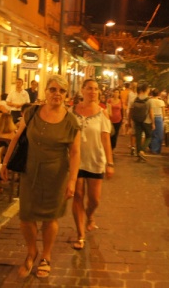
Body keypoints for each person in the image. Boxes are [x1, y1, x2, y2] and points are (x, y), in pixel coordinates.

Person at [0, 75, 81, 279]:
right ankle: (31, 251)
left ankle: (45, 256)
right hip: (31, 171)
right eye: (53, 89)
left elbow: (75, 153)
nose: (57, 94)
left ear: (66, 95)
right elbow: (16, 138)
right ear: (45, 91)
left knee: (49, 217)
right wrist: (5, 163)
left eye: (61, 91)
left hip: (56, 175)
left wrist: (72, 180)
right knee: (26, 216)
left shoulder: (71, 121)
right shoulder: (32, 112)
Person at [71, 79, 114, 250]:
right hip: (76, 160)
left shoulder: (102, 114)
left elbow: (106, 140)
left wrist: (110, 163)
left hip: (96, 160)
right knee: (78, 196)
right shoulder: (71, 112)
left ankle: (89, 215)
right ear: (82, 90)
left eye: (96, 89)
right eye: (89, 88)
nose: (93, 92)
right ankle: (80, 235)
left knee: (94, 199)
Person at [131, 82, 151, 161]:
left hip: (136, 120)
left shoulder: (136, 99)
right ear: (146, 90)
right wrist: (153, 122)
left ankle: (139, 155)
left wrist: (130, 121)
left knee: (138, 138)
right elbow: (151, 112)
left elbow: (131, 111)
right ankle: (142, 150)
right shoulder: (148, 100)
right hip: (146, 120)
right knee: (149, 136)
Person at [149, 88, 166, 154]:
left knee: (153, 134)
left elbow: (150, 111)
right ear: (158, 94)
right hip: (159, 118)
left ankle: (152, 148)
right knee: (159, 135)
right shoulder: (161, 102)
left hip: (151, 118)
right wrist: (163, 119)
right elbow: (163, 113)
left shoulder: (150, 101)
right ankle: (156, 149)